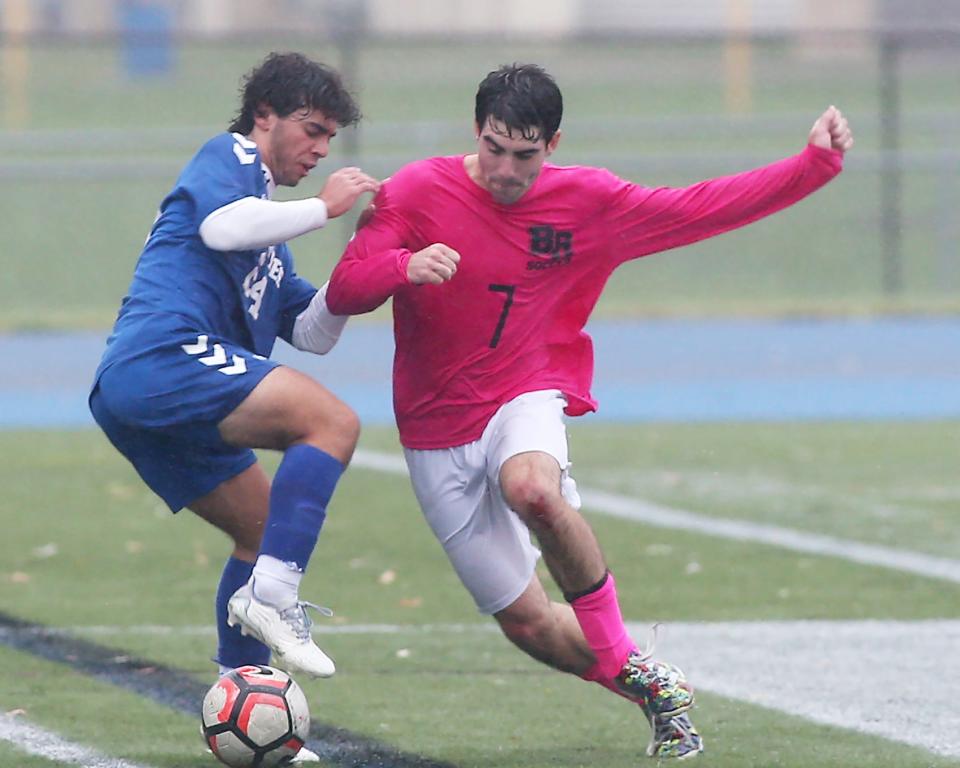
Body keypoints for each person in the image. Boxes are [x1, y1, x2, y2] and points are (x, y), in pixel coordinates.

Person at [326, 63, 853, 760]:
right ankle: (649, 686)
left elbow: (703, 206)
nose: (507, 169)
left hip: (525, 391)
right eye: (494, 148)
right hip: (432, 432)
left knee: (533, 489)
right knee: (528, 626)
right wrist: (403, 267)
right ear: (475, 131)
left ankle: (621, 654)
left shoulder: (590, 203)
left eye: (526, 153)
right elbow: (343, 290)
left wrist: (813, 165)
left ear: (555, 143)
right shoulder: (418, 191)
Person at [89, 52, 380, 695]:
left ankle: (243, 700)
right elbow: (222, 228)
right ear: (264, 116)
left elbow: (312, 331)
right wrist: (325, 210)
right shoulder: (231, 159)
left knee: (261, 527)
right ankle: (274, 598)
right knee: (331, 422)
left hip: (144, 392)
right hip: (161, 358)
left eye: (331, 136)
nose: (321, 149)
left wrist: (372, 268)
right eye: (311, 129)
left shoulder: (270, 237)